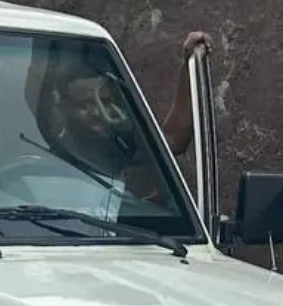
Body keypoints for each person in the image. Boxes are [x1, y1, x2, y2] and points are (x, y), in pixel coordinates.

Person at [23, 30, 210, 202]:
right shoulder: (55, 157)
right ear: (64, 106)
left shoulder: (117, 145)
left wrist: (189, 64)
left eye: (103, 101)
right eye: (83, 105)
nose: (96, 112)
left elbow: (174, 140)